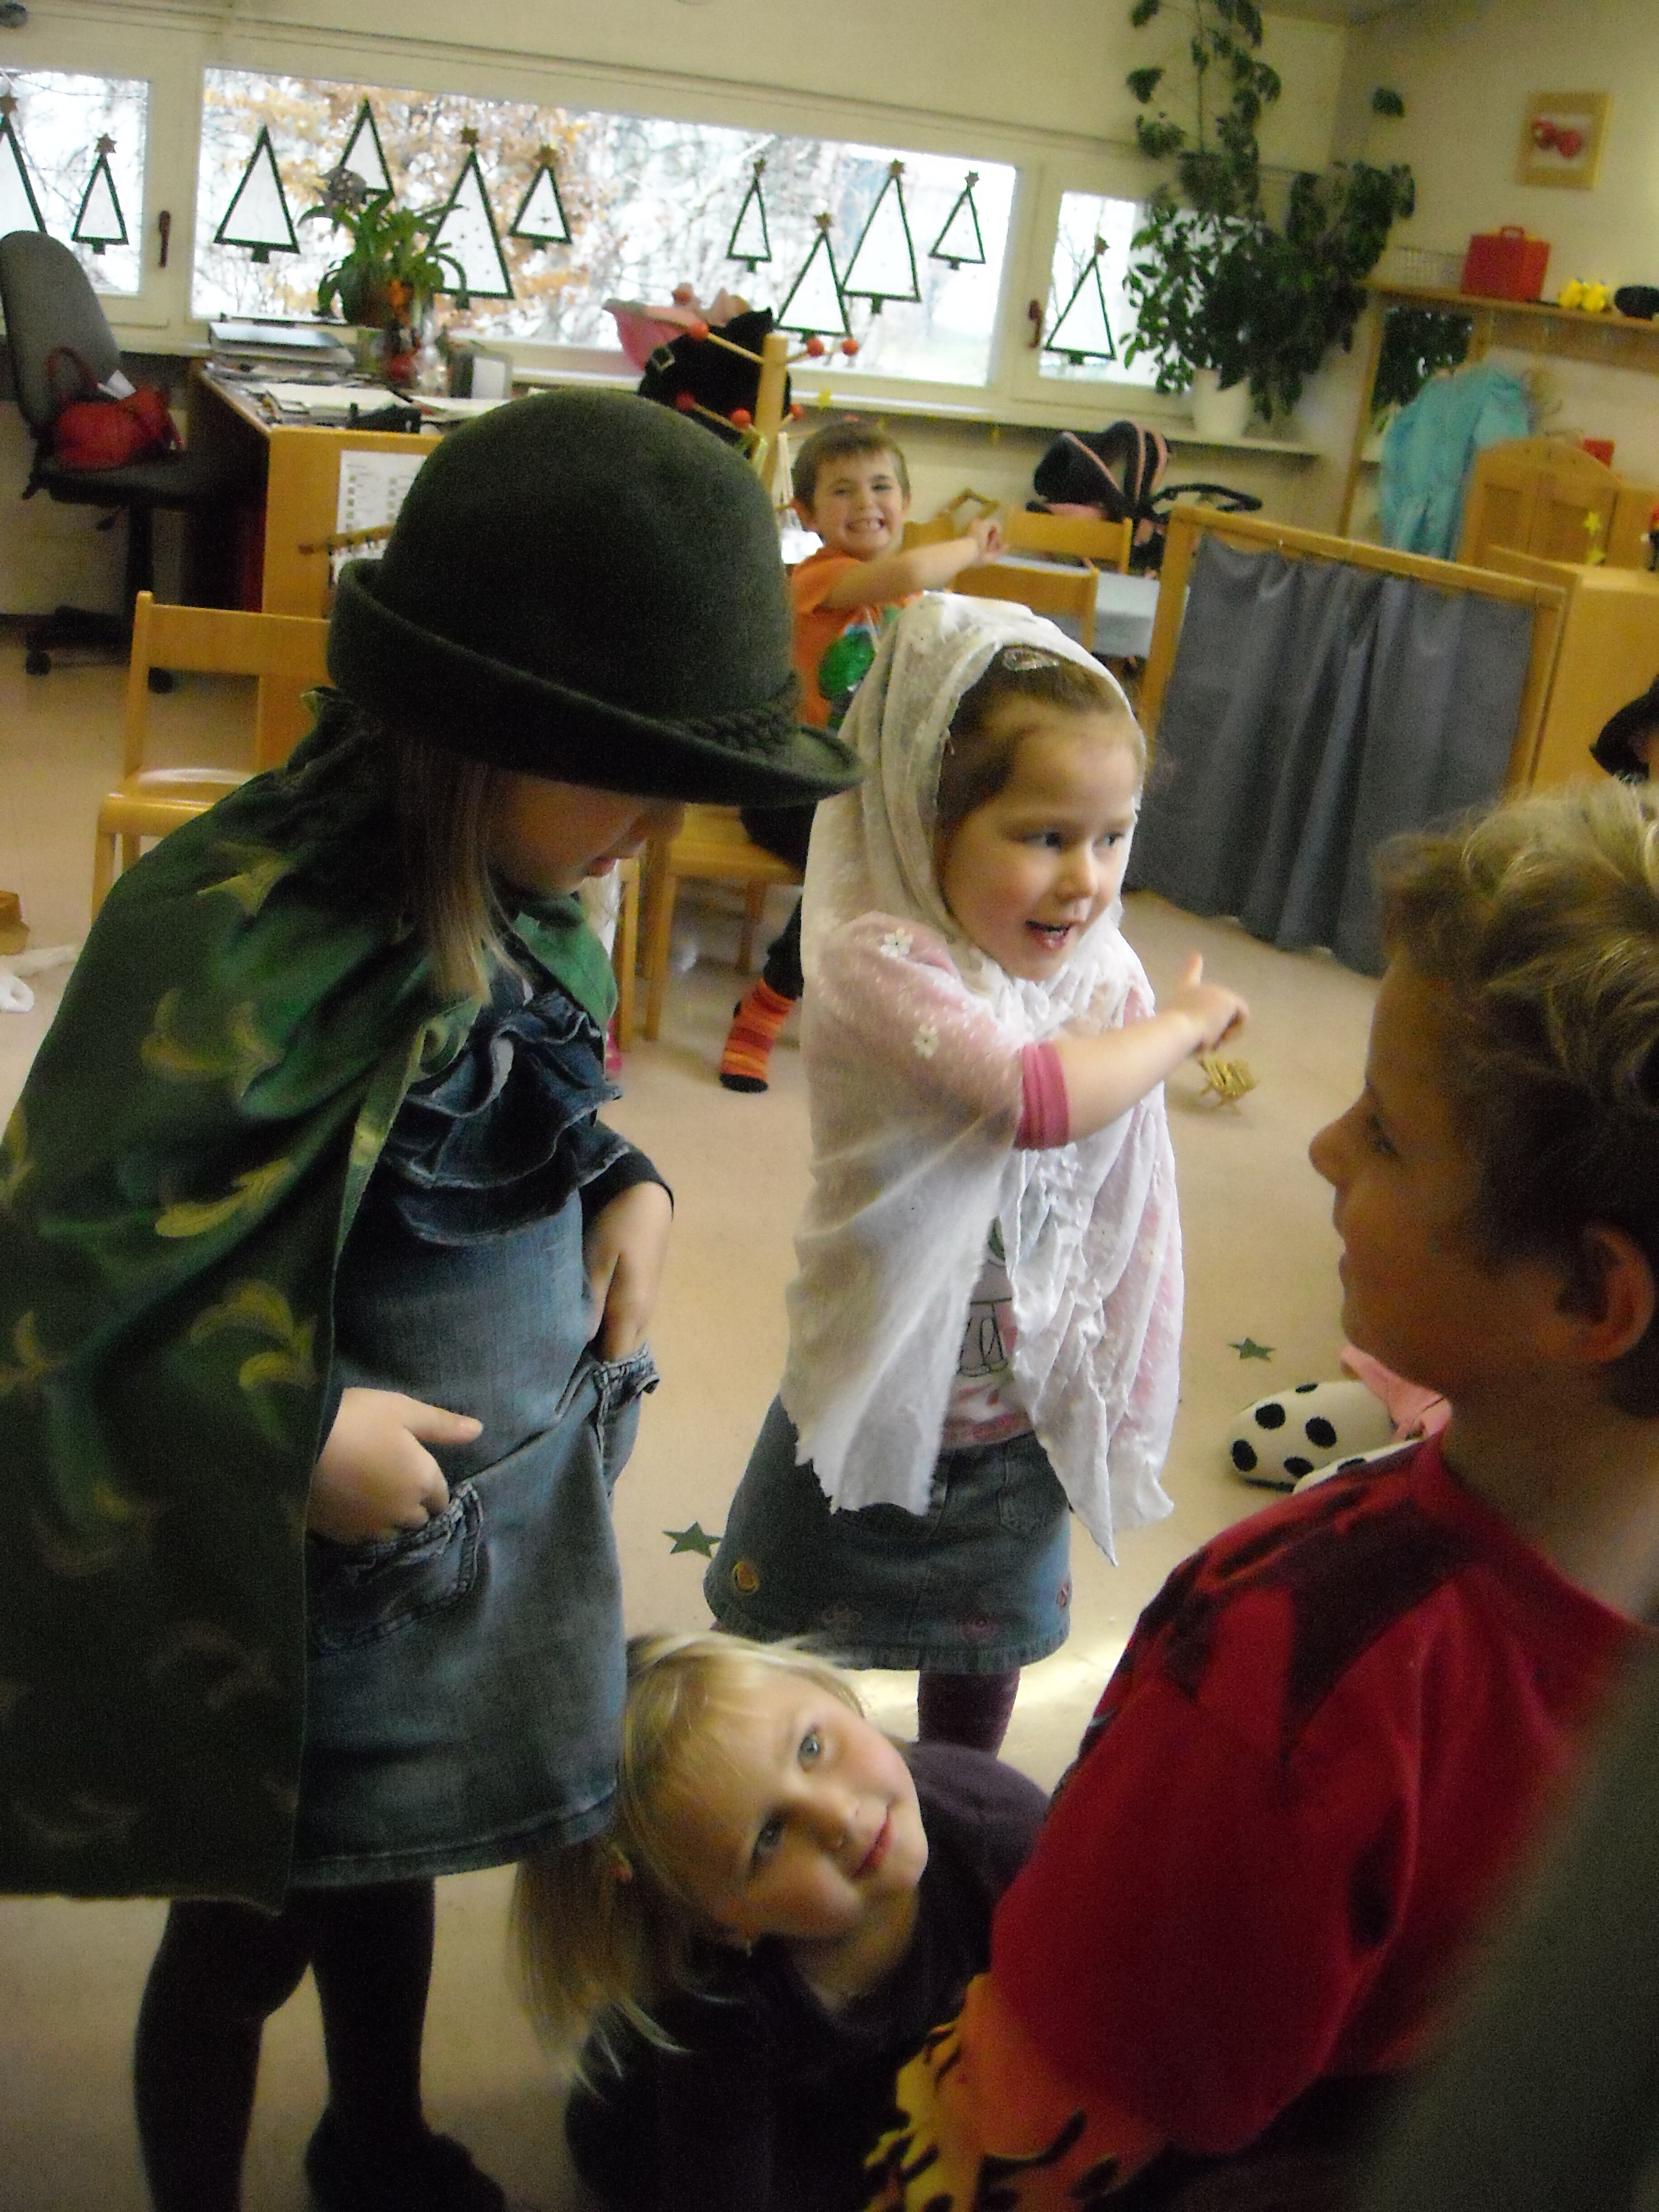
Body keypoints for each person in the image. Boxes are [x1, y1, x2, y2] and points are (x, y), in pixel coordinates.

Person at [0, 391, 859, 2212]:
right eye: (626, 772)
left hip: (464, 1566)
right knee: (246, 1928)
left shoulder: (536, 891)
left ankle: (373, 2133)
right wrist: (288, 1430)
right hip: (285, 1608)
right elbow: (65, 1283)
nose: (658, 827)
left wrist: (624, 1175)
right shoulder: (225, 932)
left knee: (400, 1864)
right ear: (478, 734)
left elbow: (521, 1094)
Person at [867, 780, 1659, 2211]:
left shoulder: (1278, 1677)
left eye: (1388, 1132)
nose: (1325, 1147)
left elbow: (1028, 2131)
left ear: (1588, 1295)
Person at [706, 592, 1248, 1755]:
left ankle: (959, 1802)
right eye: (1043, 836)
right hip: (877, 1380)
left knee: (982, 1650)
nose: (1085, 880)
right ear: (924, 820)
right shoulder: (876, 956)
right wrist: (1182, 1026)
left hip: (1021, 1404)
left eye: (1112, 836)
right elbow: (1033, 1099)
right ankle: (771, 1786)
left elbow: (1115, 1167)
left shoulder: (1094, 967)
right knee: (784, 1642)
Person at [513, 1629, 1047, 2212]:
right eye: (768, 1838)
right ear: (724, 1925)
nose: (839, 1816)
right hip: (671, 2144)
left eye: (810, 1747)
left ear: (832, 1694)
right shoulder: (716, 2005)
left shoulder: (999, 1826)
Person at [720, 421, 1003, 1092]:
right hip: (788, 786)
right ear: (807, 513)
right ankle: (768, 1003)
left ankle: (910, 1012)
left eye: (881, 487)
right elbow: (906, 571)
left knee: (921, 859)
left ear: (905, 501)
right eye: (842, 491)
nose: (866, 503)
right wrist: (969, 545)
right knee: (852, 866)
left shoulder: (912, 605)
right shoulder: (820, 577)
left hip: (859, 791)